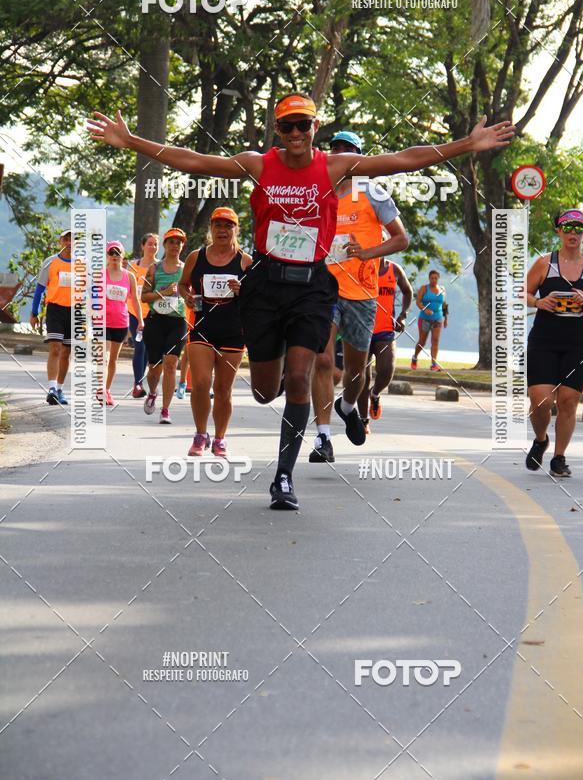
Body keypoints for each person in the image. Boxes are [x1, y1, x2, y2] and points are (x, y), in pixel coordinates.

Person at [88, 95, 515, 509]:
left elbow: (404, 159)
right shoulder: (258, 164)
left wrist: (466, 145)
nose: (296, 132)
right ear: (279, 130)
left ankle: (284, 477)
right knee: (263, 390)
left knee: (300, 375)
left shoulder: (335, 166)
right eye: (288, 125)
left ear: (315, 128)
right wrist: (132, 141)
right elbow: (195, 160)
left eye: (303, 124)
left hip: (312, 286)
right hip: (265, 286)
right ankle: (270, 389)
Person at [310, 130, 409, 463]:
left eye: (348, 151)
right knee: (322, 360)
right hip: (323, 288)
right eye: (334, 150)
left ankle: (348, 405)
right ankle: (322, 438)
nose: (340, 156)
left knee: (356, 372)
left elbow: (401, 240)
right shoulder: (318, 192)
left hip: (361, 293)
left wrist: (368, 252)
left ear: (359, 158)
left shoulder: (372, 192)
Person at [525, 209, 583, 477]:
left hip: (577, 344)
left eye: (578, 228)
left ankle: (559, 458)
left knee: (568, 402)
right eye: (567, 227)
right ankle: (541, 439)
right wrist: (538, 302)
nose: (573, 233)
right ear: (558, 231)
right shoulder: (545, 263)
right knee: (540, 402)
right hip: (543, 341)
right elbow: (524, 292)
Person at [179, 207, 252, 456]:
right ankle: (200, 435)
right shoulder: (195, 257)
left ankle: (220, 438)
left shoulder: (245, 260)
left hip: (233, 330)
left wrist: (243, 290)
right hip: (202, 328)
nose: (222, 230)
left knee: (223, 390)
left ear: (235, 229)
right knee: (200, 383)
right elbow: (182, 284)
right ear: (211, 228)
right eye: (218, 225)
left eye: (228, 226)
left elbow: (257, 297)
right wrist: (187, 296)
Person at [357, 258, 413, 433]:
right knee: (362, 378)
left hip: (385, 330)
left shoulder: (394, 269)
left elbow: (407, 291)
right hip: (362, 329)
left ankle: (375, 395)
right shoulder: (361, 267)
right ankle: (363, 420)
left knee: (387, 369)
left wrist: (402, 315)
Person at [141, 227, 188, 424]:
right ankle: (152, 392)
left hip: (177, 322)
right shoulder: (155, 269)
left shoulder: (186, 269)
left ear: (182, 246)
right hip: (155, 322)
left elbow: (191, 293)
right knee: (154, 368)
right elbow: (144, 296)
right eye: (171, 242)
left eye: (179, 242)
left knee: (170, 364)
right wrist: (164, 293)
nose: (175, 246)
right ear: (165, 245)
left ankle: (166, 410)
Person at [30, 230, 73, 405]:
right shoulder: (51, 262)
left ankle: (60, 390)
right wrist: (33, 313)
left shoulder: (82, 264)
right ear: (60, 242)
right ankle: (52, 388)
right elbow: (40, 289)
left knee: (66, 352)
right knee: (55, 348)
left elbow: (90, 290)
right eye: (66, 239)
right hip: (55, 309)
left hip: (75, 310)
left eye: (73, 239)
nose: (70, 242)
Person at [102, 241, 144, 405]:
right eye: (111, 253)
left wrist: (140, 320)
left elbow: (135, 300)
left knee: (113, 359)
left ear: (122, 255)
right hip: (103, 321)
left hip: (120, 321)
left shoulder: (129, 276)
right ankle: (101, 391)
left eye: (117, 253)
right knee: (103, 359)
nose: (114, 256)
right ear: (107, 255)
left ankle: (107, 389)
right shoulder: (101, 275)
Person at [126, 232, 158, 398]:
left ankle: (140, 379)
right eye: (150, 243)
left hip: (152, 313)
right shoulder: (132, 266)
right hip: (134, 312)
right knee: (140, 346)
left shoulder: (160, 267)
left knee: (147, 349)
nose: (152, 247)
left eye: (155, 244)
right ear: (142, 246)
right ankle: (137, 384)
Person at [411, 270, 448, 371]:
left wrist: (446, 319)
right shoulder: (424, 288)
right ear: (429, 278)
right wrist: (425, 309)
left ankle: (434, 364)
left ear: (438, 278)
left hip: (438, 319)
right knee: (422, 342)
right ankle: (415, 357)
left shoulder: (442, 289)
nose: (434, 280)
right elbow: (418, 302)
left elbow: (444, 305)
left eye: (436, 278)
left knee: (435, 340)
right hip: (425, 319)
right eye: (432, 278)